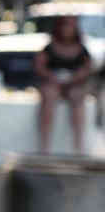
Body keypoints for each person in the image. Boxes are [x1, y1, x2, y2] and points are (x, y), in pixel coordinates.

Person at [36, 14, 95, 154]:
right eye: (65, 25)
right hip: (53, 84)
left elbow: (87, 68)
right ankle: (44, 146)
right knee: (49, 97)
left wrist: (74, 78)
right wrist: (52, 77)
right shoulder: (50, 48)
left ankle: (78, 146)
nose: (67, 29)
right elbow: (39, 66)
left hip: (74, 84)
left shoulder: (81, 49)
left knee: (77, 97)